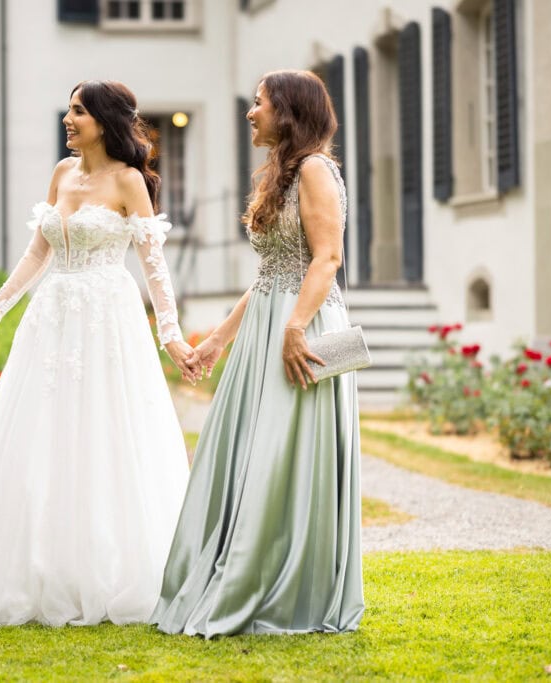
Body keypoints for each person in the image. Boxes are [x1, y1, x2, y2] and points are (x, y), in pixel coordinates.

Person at [0, 80, 198, 628]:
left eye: (78, 111)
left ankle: (111, 569)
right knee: (41, 432)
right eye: (68, 110)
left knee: (107, 434)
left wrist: (171, 335)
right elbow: (38, 250)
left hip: (108, 318)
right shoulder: (62, 172)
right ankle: (36, 566)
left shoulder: (129, 181)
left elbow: (154, 265)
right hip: (53, 317)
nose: (68, 118)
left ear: (104, 121)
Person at [151, 70, 364, 637]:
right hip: (273, 320)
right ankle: (240, 570)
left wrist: (295, 328)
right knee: (246, 451)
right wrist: (219, 338)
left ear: (288, 112)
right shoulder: (282, 174)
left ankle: (288, 585)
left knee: (283, 453)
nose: (251, 112)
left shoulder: (317, 169)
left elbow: (327, 259)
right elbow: (270, 274)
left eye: (259, 103)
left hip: (306, 325)